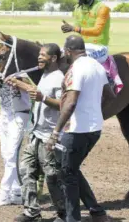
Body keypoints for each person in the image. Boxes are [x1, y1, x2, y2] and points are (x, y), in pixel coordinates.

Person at [46, 35, 115, 222]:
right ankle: (97, 213)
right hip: (94, 129)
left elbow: (70, 103)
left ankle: (72, 218)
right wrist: (93, 110)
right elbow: (110, 95)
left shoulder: (75, 69)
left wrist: (54, 133)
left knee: (67, 175)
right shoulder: (97, 66)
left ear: (68, 50)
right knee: (72, 169)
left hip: (76, 131)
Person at [6, 43, 66, 222]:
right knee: (25, 169)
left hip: (49, 135)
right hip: (36, 132)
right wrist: (20, 84)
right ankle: (31, 211)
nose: (39, 58)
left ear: (53, 58)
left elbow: (63, 105)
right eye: (39, 55)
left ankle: (63, 213)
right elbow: (37, 93)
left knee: (52, 175)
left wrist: (43, 98)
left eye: (43, 55)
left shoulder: (58, 78)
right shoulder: (46, 75)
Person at [0, 46, 33, 207]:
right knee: (6, 155)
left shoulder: (18, 72)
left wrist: (16, 82)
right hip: (5, 115)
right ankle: (17, 191)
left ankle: (4, 193)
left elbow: (32, 88)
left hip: (19, 115)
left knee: (12, 154)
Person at [60, 0, 123, 93]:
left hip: (99, 48)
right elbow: (78, 32)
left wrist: (74, 28)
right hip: (82, 47)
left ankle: (107, 86)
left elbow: (97, 31)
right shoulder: (77, 8)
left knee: (81, 61)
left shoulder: (102, 8)